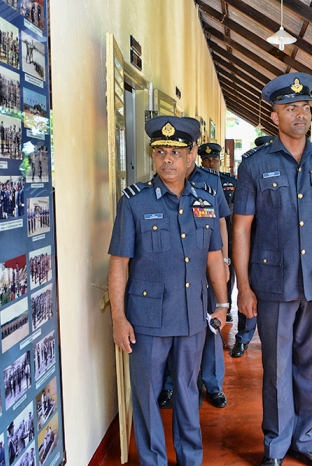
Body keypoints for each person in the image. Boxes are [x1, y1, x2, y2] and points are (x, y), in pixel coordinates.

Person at [233, 72, 312, 466]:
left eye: (304, 107)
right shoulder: (255, 165)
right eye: (290, 108)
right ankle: (276, 445)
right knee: (276, 368)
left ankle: (304, 439)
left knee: (310, 365)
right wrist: (243, 287)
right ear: (275, 116)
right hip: (273, 283)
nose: (300, 114)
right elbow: (242, 228)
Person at [108, 116, 228, 466]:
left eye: (175, 152)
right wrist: (118, 318)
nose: (167, 159)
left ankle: (190, 458)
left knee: (189, 393)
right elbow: (119, 264)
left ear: (191, 156)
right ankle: (153, 461)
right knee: (147, 396)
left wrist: (223, 304)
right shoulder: (135, 202)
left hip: (192, 315)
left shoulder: (206, 201)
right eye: (160, 151)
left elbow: (214, 256)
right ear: (153, 156)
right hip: (146, 321)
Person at [189, 142, 232, 409]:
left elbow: (221, 223)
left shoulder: (211, 182)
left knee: (212, 323)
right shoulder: (160, 182)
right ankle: (171, 385)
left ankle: (213, 384)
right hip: (181, 268)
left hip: (209, 265)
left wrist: (225, 261)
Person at [230, 136, 273, 359]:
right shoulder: (250, 174)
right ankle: (243, 338)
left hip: (273, 250)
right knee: (247, 293)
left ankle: (270, 341)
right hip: (251, 247)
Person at [200, 142, 236, 325]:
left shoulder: (230, 181)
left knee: (227, 273)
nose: (211, 163)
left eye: (214, 159)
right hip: (205, 236)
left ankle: (225, 305)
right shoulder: (197, 181)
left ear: (220, 161)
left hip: (227, 234)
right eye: (207, 160)